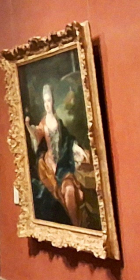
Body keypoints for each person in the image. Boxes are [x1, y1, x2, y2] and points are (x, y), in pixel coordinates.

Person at [25, 83, 92, 227]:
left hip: (63, 162)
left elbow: (68, 139)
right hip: (49, 165)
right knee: (56, 196)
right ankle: (72, 224)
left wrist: (78, 149)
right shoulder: (43, 123)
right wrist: (29, 128)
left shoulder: (59, 122)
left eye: (49, 100)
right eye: (45, 101)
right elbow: (37, 135)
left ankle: (76, 225)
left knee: (70, 189)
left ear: (53, 101)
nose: (47, 104)